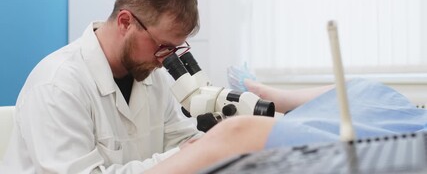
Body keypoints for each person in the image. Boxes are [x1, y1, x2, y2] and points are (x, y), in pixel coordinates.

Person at [1, 0, 203, 173]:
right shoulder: (58, 84)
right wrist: (181, 158)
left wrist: (211, 146)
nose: (163, 60)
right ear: (125, 22)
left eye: (173, 50)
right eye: (162, 46)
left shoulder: (151, 76)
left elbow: (180, 139)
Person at [145, 78, 427, 173]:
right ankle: (277, 97)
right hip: (408, 115)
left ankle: (279, 101)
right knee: (366, 89)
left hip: (409, 137)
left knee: (238, 132)